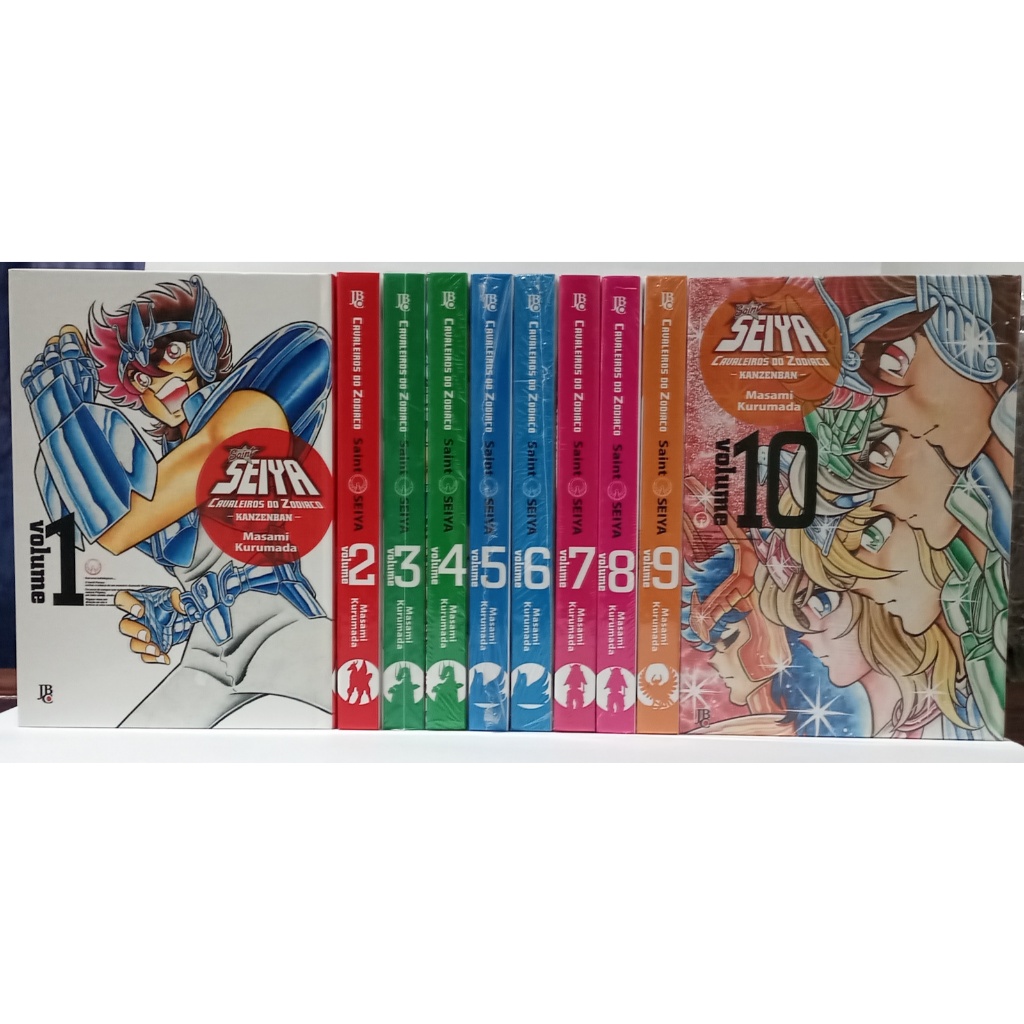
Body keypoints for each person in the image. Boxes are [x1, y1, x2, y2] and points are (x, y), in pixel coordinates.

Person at [21, 276, 333, 727]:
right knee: (133, 740)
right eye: (136, 375)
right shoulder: (157, 472)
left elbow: (122, 523)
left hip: (285, 629)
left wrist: (64, 416)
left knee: (362, 706)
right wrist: (179, 607)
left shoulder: (258, 400)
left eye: (168, 352)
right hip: (207, 654)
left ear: (203, 347)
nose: (152, 379)